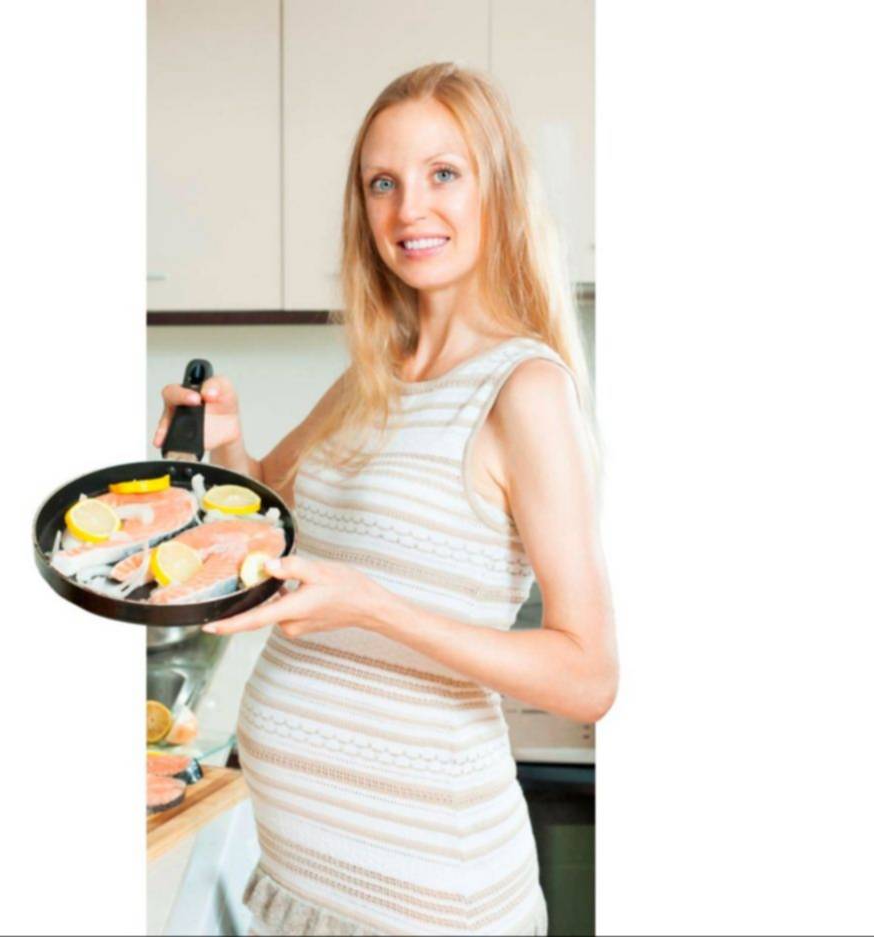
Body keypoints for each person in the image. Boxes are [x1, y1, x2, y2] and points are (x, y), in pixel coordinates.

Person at [153, 62, 615, 937]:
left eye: (443, 173)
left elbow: (589, 675)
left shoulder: (522, 388)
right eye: (383, 183)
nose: (409, 210)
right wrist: (229, 444)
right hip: (304, 882)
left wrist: (374, 605)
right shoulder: (374, 374)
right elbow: (274, 519)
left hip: (428, 899)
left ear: (497, 188)